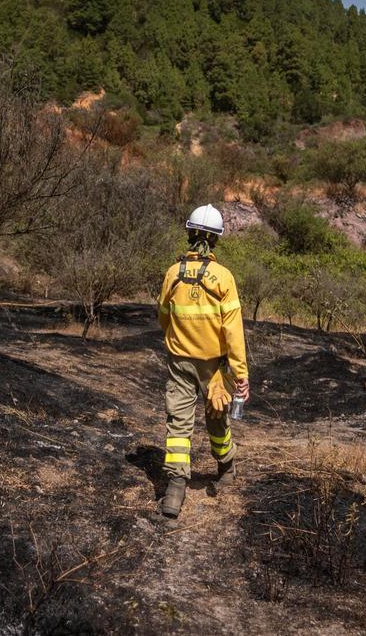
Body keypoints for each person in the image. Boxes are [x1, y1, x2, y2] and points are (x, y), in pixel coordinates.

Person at [156, 204, 250, 519]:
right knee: (218, 418)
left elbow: (164, 319)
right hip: (214, 368)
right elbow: (233, 331)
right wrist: (240, 375)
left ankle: (174, 491)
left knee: (179, 423)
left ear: (189, 232)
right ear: (216, 240)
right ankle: (225, 471)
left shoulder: (173, 274)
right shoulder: (224, 277)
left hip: (180, 362)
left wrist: (181, 339)